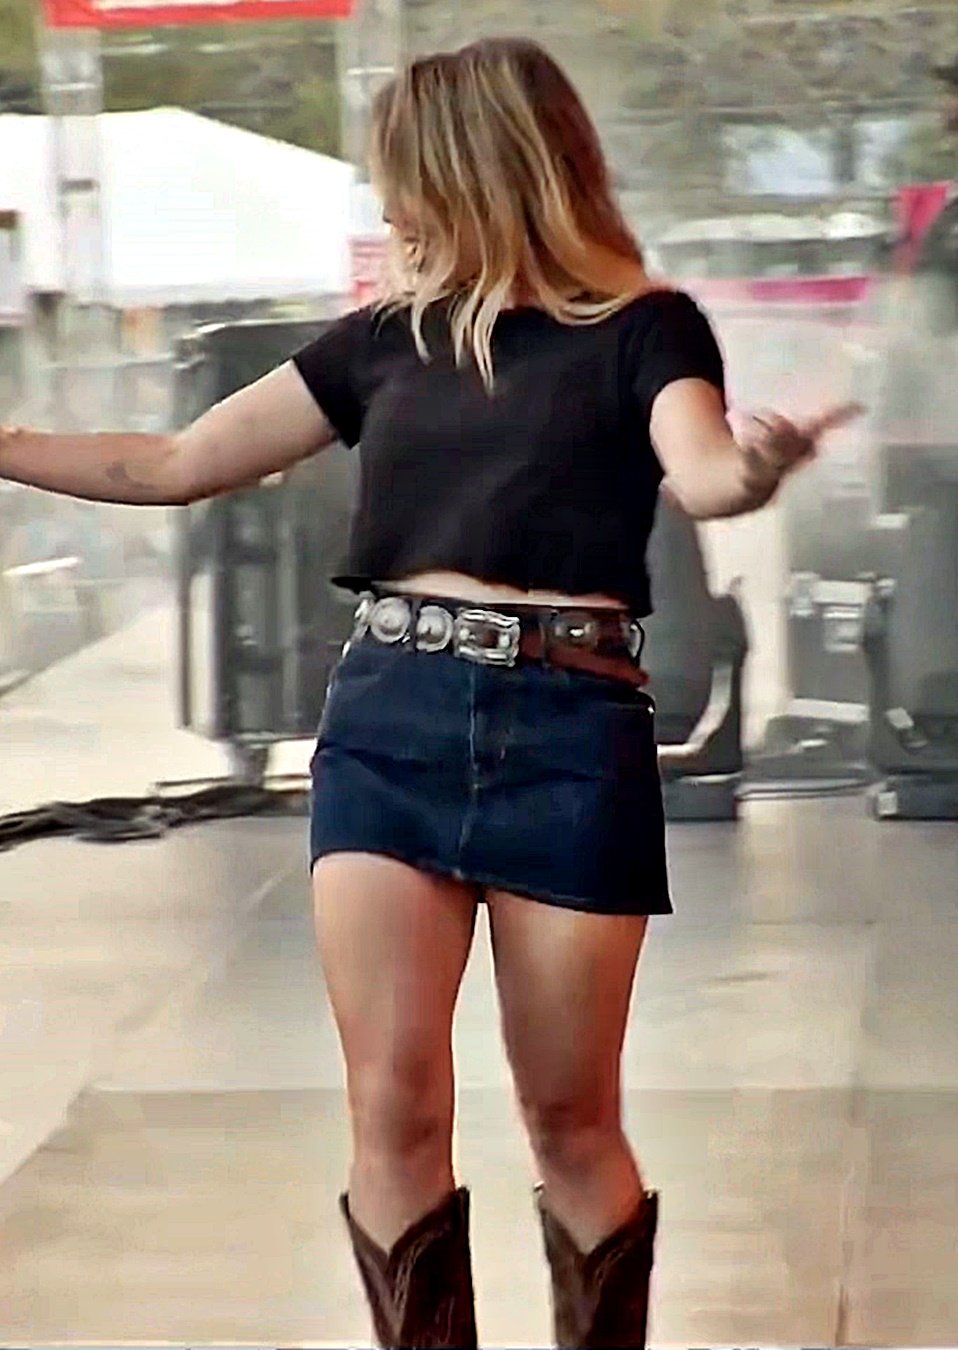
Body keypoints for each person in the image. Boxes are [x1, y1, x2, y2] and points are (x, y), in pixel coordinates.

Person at [0, 37, 859, 1350]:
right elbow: (175, 462)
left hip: (568, 727)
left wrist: (760, 465)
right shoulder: (379, 343)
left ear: (471, 168)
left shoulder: (644, 329)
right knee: (392, 1106)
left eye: (399, 172)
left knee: (569, 1117)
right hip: (388, 721)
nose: (388, 201)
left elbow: (700, 477)